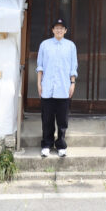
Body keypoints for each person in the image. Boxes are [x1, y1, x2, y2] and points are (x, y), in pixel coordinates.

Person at [36, 16, 77, 158]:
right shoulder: (44, 45)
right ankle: (46, 145)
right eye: (56, 28)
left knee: (62, 120)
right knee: (46, 119)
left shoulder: (71, 46)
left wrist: (72, 83)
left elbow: (73, 67)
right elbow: (40, 66)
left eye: (61, 28)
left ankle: (61, 145)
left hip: (64, 88)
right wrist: (39, 84)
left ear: (65, 30)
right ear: (53, 30)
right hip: (47, 88)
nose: (59, 30)